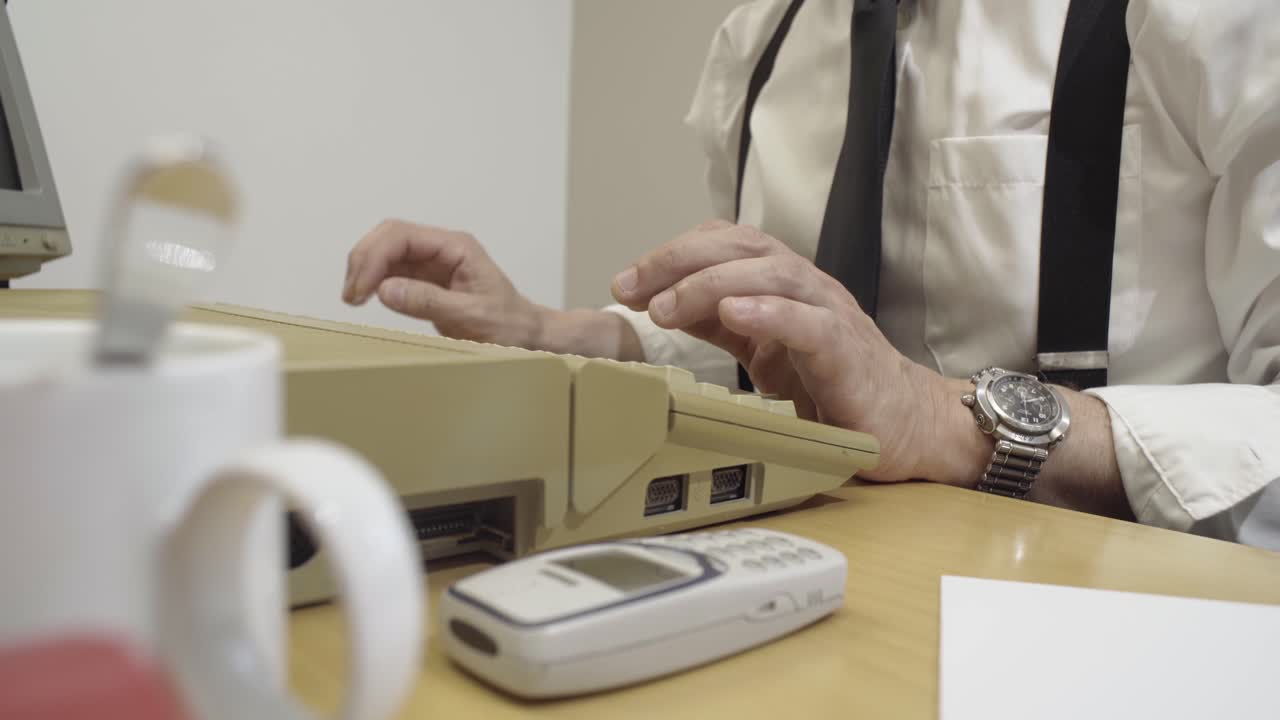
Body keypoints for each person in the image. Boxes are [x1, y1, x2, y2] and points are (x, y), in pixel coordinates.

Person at [342, 1, 1280, 548]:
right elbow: (784, 347)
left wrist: (936, 421)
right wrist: (560, 335)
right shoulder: (761, 42)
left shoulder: (1216, 21)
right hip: (820, 593)